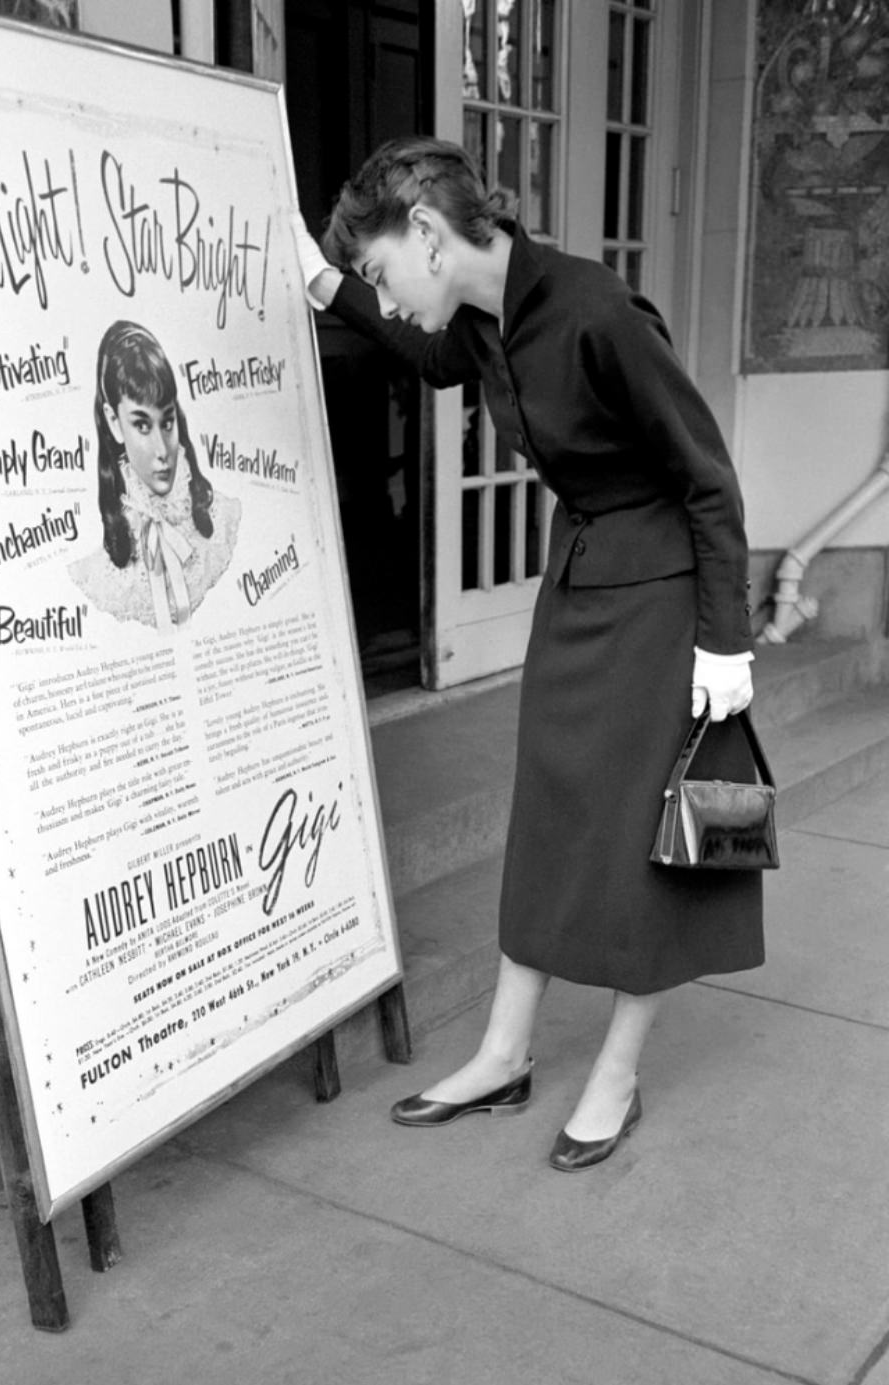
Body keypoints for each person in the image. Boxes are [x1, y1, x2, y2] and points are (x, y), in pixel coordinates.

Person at [292, 136, 764, 1170]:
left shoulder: (595, 313)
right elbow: (425, 356)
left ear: (427, 233)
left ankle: (617, 1072)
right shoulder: (482, 317)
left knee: (645, 835)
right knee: (551, 814)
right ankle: (504, 1052)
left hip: (661, 602)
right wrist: (328, 283)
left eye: (379, 269)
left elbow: (707, 480)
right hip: (581, 584)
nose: (388, 292)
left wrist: (725, 640)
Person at [69, 320, 240, 633]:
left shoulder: (224, 522)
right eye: (142, 425)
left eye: (167, 422)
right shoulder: (100, 579)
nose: (162, 450)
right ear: (114, 421)